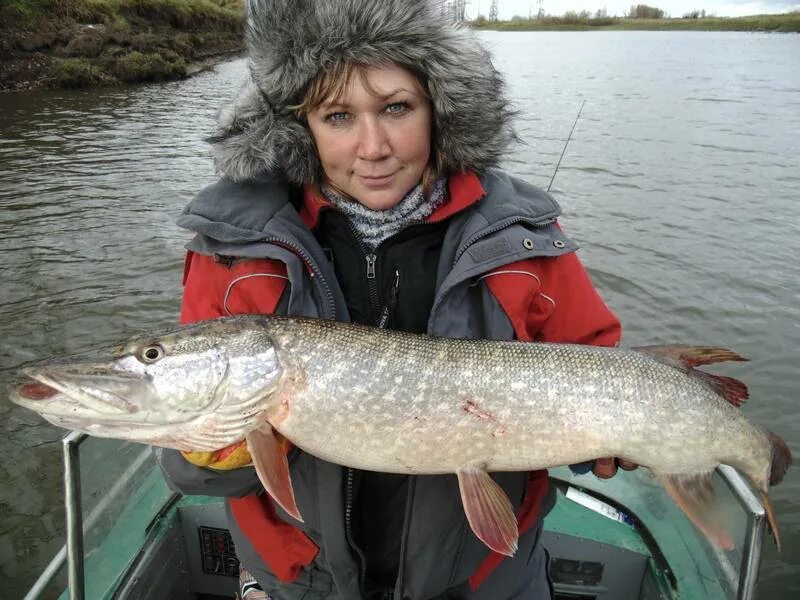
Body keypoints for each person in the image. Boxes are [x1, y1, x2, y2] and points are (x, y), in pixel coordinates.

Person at [158, 1, 625, 598]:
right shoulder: (234, 250)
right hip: (301, 579)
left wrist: (608, 441)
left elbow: (598, 364)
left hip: (481, 578)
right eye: (337, 116)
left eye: (396, 108)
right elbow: (199, 473)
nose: (373, 146)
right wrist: (212, 448)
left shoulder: (523, 243)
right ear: (300, 126)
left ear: (440, 111)